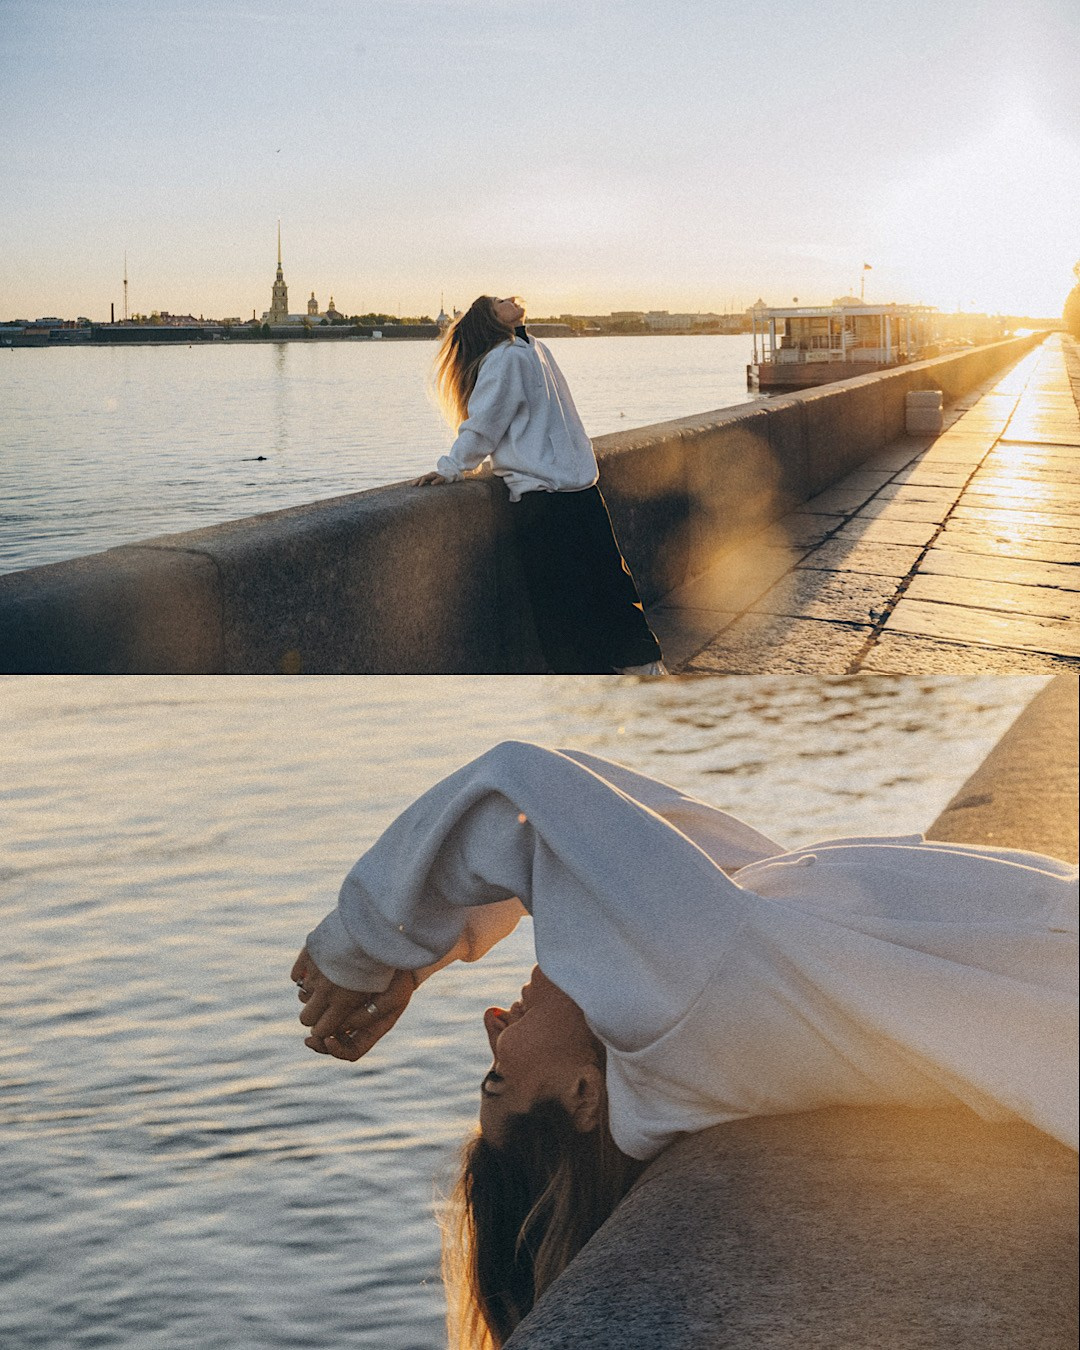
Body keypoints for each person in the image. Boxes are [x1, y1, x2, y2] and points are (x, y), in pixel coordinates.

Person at [290, 741, 1078, 1349]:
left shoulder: (703, 1007)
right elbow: (512, 789)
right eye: (499, 1076)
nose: (494, 1021)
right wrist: (359, 949)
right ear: (584, 1098)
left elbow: (640, 824)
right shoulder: (679, 1005)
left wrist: (419, 952)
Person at [413, 295, 665, 675]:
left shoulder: (535, 348)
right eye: (500, 301)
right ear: (490, 319)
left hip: (570, 487)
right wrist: (452, 467)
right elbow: (485, 423)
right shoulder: (506, 357)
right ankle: (635, 670)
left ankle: (619, 674)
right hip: (546, 494)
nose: (511, 298)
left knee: (576, 595)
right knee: (599, 587)